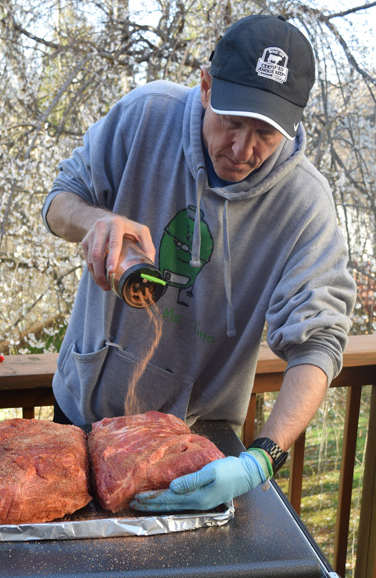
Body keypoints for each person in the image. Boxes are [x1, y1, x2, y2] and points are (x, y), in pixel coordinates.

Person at [41, 14, 356, 512]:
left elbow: (318, 345)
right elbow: (61, 200)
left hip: (196, 443)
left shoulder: (305, 205)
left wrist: (262, 458)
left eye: (266, 134)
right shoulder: (145, 116)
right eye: (232, 121)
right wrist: (93, 221)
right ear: (207, 86)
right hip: (81, 414)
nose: (243, 149)